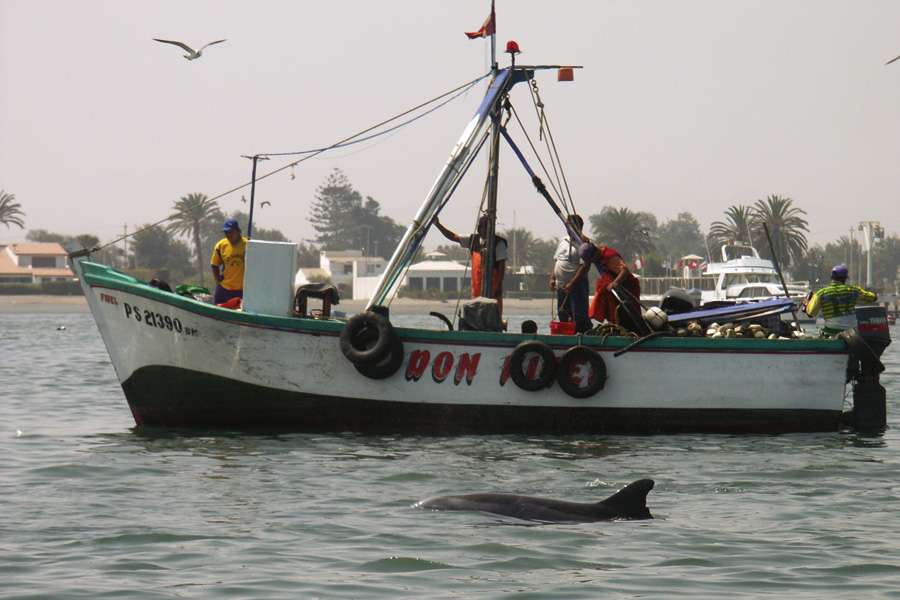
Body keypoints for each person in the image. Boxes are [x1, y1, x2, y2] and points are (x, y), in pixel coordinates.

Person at [433, 215, 507, 313]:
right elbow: (454, 237)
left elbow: (501, 268)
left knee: (492, 313)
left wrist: (498, 287)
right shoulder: (473, 240)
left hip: (493, 289)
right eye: (479, 226)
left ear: (490, 227)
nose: (480, 228)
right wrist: (438, 225)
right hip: (477, 287)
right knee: (476, 312)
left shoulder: (499, 243)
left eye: (483, 226)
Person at [562, 241, 640, 325]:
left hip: (628, 288)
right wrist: (571, 284)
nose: (592, 262)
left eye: (591, 260)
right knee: (615, 313)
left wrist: (614, 283)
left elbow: (625, 271)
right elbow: (585, 268)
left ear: (595, 253)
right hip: (615, 290)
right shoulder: (596, 255)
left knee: (630, 315)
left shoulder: (609, 257)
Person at [804, 264, 877, 335]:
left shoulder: (821, 293)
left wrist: (807, 304)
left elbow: (811, 314)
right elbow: (873, 298)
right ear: (845, 278)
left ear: (832, 278)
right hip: (851, 330)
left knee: (821, 331)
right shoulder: (854, 290)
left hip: (832, 330)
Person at [549, 214, 591, 332]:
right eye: (567, 226)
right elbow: (557, 259)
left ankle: (583, 337)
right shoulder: (563, 240)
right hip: (561, 284)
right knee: (562, 313)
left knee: (578, 315)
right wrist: (552, 278)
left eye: (571, 226)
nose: (568, 229)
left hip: (576, 285)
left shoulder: (584, 244)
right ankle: (566, 336)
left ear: (578, 227)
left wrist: (572, 283)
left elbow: (585, 266)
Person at [210, 218, 248, 306]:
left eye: (231, 232)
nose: (228, 235)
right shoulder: (221, 245)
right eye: (226, 233)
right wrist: (217, 280)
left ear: (238, 231)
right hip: (223, 289)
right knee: (216, 314)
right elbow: (214, 264)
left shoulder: (248, 245)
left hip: (241, 291)